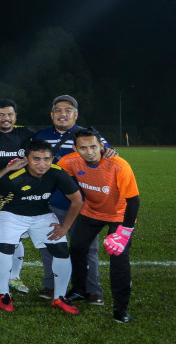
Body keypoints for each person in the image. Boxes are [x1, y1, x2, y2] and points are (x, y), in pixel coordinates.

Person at [31, 95, 114, 302]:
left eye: (68, 110)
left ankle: (92, 290)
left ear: (76, 115)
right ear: (52, 114)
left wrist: (111, 152)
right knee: (50, 246)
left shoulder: (88, 136)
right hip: (51, 203)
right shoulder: (40, 136)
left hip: (84, 204)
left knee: (88, 248)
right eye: (58, 110)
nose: (63, 114)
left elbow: (107, 156)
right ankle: (50, 286)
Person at [0, 140, 83, 313]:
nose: (42, 164)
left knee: (62, 250)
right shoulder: (14, 177)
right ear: (26, 159)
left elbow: (77, 200)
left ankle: (59, 297)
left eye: (46, 159)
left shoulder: (57, 172)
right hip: (12, 215)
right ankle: (4, 294)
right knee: (5, 248)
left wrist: (64, 227)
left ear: (52, 159)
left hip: (41, 215)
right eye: (36, 159)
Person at [58, 130, 140, 323]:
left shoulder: (119, 165)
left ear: (102, 146)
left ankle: (120, 307)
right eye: (83, 148)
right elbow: (50, 173)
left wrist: (124, 232)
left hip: (119, 215)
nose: (89, 152)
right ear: (75, 148)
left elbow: (133, 201)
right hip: (91, 212)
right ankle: (79, 290)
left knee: (118, 258)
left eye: (93, 146)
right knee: (77, 248)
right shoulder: (69, 162)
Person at [0, 99, 34, 294]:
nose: (6, 118)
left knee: (16, 239)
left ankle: (14, 277)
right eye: (1, 114)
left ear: (15, 116)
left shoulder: (25, 134)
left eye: (10, 114)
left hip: (17, 197)